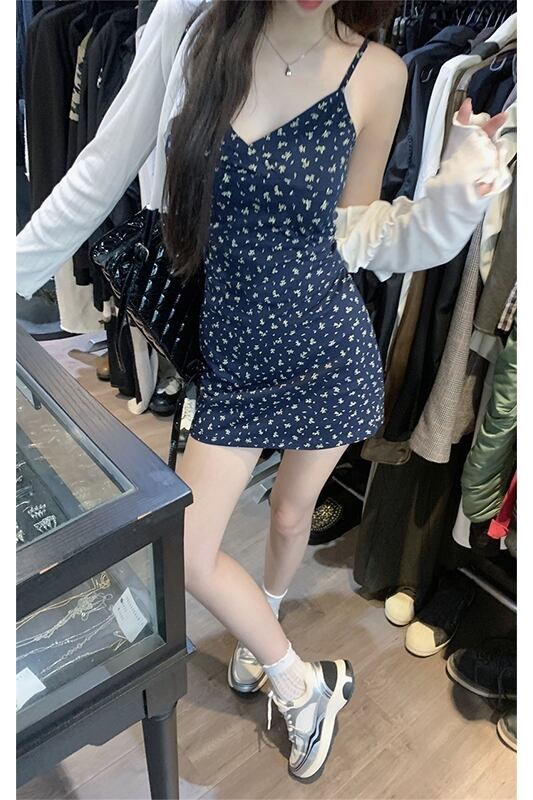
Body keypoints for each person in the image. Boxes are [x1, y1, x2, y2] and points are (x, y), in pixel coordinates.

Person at [16, 0, 511, 782]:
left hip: (324, 349)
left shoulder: (379, 72)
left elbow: (361, 233)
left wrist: (458, 191)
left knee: (287, 516)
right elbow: (99, 174)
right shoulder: (198, 37)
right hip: (233, 356)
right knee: (185, 550)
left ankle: (261, 633)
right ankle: (303, 688)